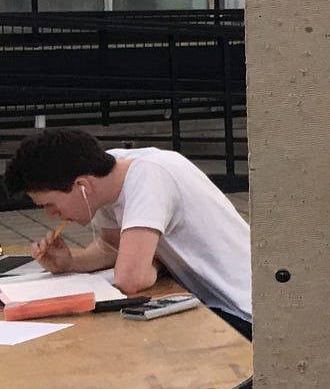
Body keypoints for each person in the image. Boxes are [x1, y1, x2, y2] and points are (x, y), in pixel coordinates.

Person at [5, 129, 251, 337]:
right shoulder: (108, 173)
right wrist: (70, 264)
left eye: (49, 204)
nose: (51, 214)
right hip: (210, 300)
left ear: (82, 186)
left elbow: (130, 279)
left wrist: (154, 262)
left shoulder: (150, 177)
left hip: (244, 312)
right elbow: (111, 247)